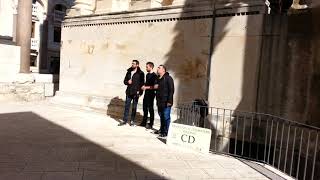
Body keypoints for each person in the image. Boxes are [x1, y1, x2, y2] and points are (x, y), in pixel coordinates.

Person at [119, 60, 145, 126]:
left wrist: (140, 93)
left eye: (134, 64)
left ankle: (132, 121)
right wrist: (128, 82)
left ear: (137, 65)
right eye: (132, 63)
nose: (132, 64)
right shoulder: (129, 72)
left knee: (134, 107)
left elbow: (142, 84)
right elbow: (124, 81)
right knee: (127, 106)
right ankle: (124, 121)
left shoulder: (141, 73)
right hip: (129, 92)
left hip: (136, 93)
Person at [154, 65, 174, 137]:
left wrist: (169, 101)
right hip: (159, 101)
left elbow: (171, 90)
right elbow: (157, 88)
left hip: (166, 101)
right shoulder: (158, 78)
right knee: (161, 116)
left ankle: (167, 132)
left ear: (163, 70)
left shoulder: (168, 78)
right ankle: (162, 130)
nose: (157, 69)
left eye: (159, 68)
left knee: (166, 117)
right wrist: (155, 87)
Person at [140, 62, 157, 129]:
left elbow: (154, 87)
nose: (146, 68)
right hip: (146, 94)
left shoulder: (154, 76)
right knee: (144, 108)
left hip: (151, 94)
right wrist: (144, 85)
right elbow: (147, 84)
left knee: (150, 109)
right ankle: (144, 122)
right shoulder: (147, 75)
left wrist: (146, 87)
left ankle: (151, 123)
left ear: (151, 67)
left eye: (147, 67)